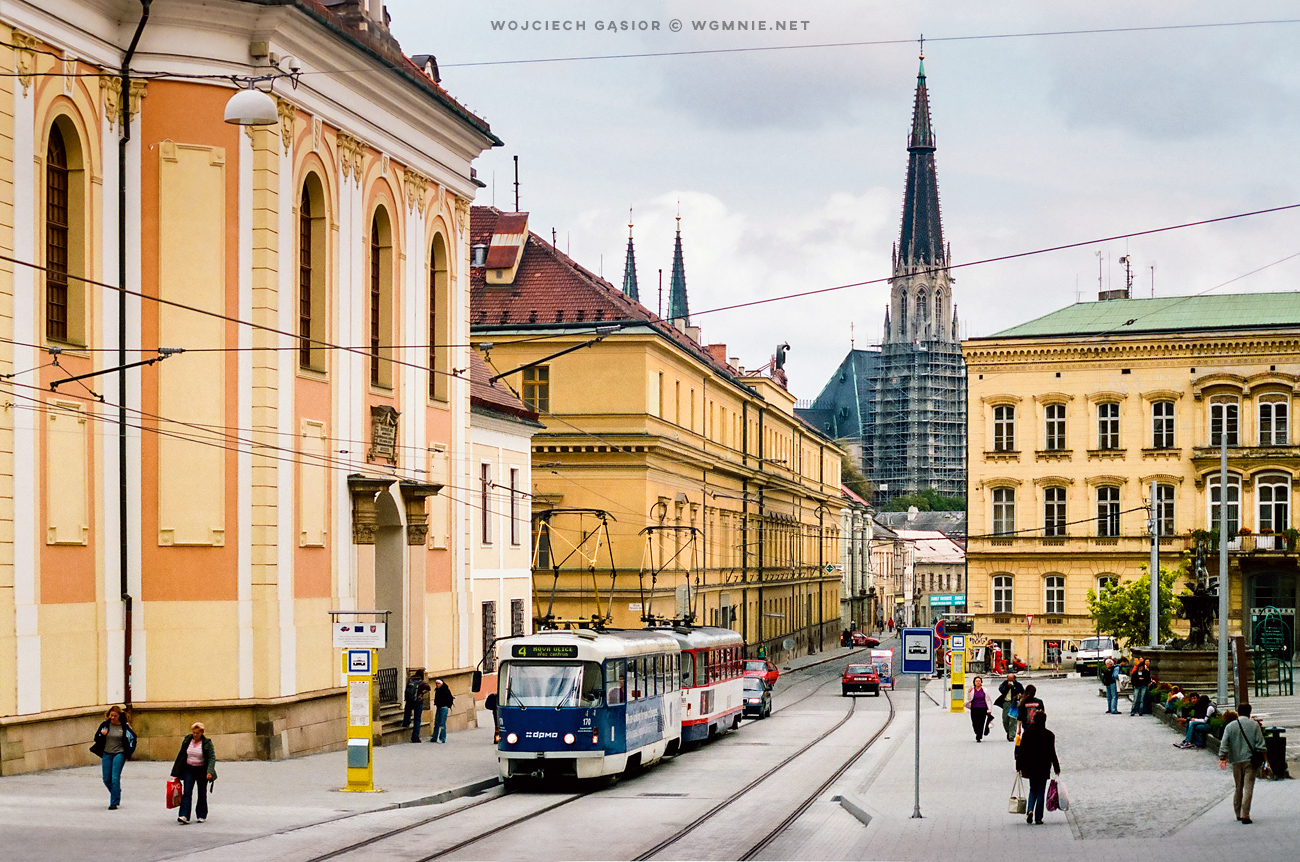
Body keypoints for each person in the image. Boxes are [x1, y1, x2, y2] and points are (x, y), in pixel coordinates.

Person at [1219, 703, 1267, 824]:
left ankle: (1238, 813)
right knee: (1248, 787)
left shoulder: (1230, 726)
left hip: (1236, 760)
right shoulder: (1254, 725)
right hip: (1250, 760)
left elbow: (1224, 742)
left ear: (1238, 712)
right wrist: (1266, 761)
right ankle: (1246, 814)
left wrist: (1223, 757)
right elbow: (1261, 745)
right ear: (1249, 712)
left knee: (1238, 787)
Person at [1015, 710, 1061, 825]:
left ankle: (1030, 809)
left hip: (1030, 766)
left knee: (1032, 789)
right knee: (1041, 791)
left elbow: (1022, 751)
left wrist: (1018, 766)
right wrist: (1056, 767)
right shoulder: (1049, 735)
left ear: (1033, 720)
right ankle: (1038, 817)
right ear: (1044, 721)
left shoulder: (1027, 734)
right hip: (1043, 766)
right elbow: (1052, 752)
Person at [89, 704, 137, 810]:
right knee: (106, 779)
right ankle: (116, 793)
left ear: (119, 716)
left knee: (115, 778)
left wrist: (129, 751)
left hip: (119, 753)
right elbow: (97, 738)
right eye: (111, 715)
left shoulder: (125, 727)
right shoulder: (105, 725)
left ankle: (114, 802)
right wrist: (103, 734)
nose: (112, 718)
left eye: (115, 716)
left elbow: (133, 738)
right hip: (106, 753)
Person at [170, 722, 216, 825]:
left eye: (197, 733)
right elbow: (181, 755)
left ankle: (201, 814)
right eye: (194, 733)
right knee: (187, 792)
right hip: (189, 769)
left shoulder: (207, 743)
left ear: (202, 733)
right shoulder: (188, 740)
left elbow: (212, 758)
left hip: (201, 769)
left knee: (201, 793)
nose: (195, 735)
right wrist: (177, 770)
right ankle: (184, 815)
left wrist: (209, 771)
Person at [995, 673, 1024, 742]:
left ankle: (1011, 735)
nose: (1010, 680)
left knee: (1013, 720)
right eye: (1009, 679)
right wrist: (1007, 686)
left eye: (1012, 679)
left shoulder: (1018, 685)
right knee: (1005, 719)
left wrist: (1020, 695)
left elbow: (1022, 691)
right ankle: (1008, 731)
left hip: (1014, 703)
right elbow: (1001, 690)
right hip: (1006, 702)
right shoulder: (1005, 683)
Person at [403, 671, 431, 743]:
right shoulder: (422, 682)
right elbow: (428, 688)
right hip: (418, 702)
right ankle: (415, 737)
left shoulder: (410, 680)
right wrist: (421, 693)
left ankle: (406, 722)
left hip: (409, 701)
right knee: (417, 719)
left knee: (407, 710)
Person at [964, 676, 991, 742]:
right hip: (974, 708)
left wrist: (989, 709)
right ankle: (977, 732)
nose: (978, 682)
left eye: (979, 681)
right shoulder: (972, 690)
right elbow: (969, 698)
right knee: (974, 723)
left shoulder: (985, 690)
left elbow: (988, 700)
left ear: (981, 682)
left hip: (983, 708)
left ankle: (979, 735)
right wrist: (968, 692)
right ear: (974, 682)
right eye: (976, 681)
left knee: (981, 722)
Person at [429, 678, 454, 743]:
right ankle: (434, 737)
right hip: (439, 707)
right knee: (436, 723)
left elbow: (449, 698)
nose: (437, 685)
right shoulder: (437, 690)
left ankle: (442, 738)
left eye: (438, 683)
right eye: (436, 683)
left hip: (444, 707)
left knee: (442, 723)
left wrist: (446, 704)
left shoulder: (445, 690)